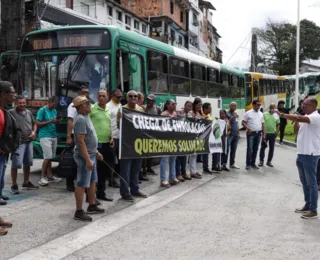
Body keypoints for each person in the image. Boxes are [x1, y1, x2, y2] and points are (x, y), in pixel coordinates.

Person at [274, 98, 320, 219]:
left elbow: (298, 118)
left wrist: (282, 114)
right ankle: (308, 204)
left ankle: (313, 209)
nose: (303, 106)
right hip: (301, 153)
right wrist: (297, 123)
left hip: (310, 154)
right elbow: (297, 132)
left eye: (305, 104)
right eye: (302, 104)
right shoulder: (305, 117)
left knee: (312, 182)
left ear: (313, 106)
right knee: (304, 182)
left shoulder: (315, 117)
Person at [73, 96, 105, 221]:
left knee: (92, 181)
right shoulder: (80, 119)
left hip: (91, 154)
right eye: (88, 104)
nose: (90, 106)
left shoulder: (86, 117)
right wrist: (87, 159)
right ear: (82, 107)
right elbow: (81, 142)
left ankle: (92, 205)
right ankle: (79, 211)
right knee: (82, 183)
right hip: (84, 156)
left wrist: (96, 152)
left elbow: (89, 137)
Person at [117, 90, 147, 201]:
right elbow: (119, 126)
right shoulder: (122, 109)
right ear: (127, 98)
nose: (133, 97)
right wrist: (120, 119)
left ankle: (135, 189)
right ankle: (125, 192)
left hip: (138, 144)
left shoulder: (140, 109)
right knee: (125, 170)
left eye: (135, 96)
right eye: (131, 96)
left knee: (136, 169)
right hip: (126, 144)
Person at [10, 95, 38, 194]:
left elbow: (34, 124)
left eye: (23, 103)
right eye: (20, 103)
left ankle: (26, 182)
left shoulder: (29, 112)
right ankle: (14, 184)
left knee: (28, 162)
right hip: (18, 143)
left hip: (29, 142)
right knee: (16, 163)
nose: (22, 105)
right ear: (16, 103)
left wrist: (34, 132)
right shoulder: (10, 113)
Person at [89, 89, 114, 202]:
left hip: (107, 143)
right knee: (94, 171)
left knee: (104, 170)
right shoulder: (92, 109)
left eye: (104, 96)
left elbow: (109, 125)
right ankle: (90, 196)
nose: (101, 98)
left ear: (107, 97)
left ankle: (101, 193)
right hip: (95, 145)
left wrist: (112, 137)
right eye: (99, 96)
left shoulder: (108, 109)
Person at [66, 86, 90, 192]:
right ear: (80, 92)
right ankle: (70, 183)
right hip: (75, 135)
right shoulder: (73, 105)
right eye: (84, 92)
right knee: (74, 161)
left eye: (87, 92)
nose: (85, 94)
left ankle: (85, 183)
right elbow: (70, 121)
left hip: (85, 135)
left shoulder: (89, 105)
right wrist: (68, 137)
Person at [0, 81, 16, 235]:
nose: (14, 95)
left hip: (3, 153)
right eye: (12, 93)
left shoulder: (4, 109)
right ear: (3, 94)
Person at [36, 97, 62, 186]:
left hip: (53, 135)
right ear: (49, 102)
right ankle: (42, 177)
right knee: (47, 157)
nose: (54, 107)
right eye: (53, 105)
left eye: (55, 105)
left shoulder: (54, 111)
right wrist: (50, 121)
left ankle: (50, 176)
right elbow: (38, 123)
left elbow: (53, 122)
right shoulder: (42, 110)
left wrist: (57, 121)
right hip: (44, 136)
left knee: (50, 157)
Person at [160, 99, 179, 188]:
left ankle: (172, 177)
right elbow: (160, 126)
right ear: (167, 105)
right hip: (166, 140)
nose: (174, 105)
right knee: (164, 160)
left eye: (175, 104)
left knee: (173, 159)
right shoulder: (163, 114)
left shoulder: (175, 114)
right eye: (172, 104)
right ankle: (163, 179)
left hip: (174, 139)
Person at [242, 99, 265, 170]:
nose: (259, 106)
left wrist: (264, 134)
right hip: (251, 133)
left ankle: (253, 163)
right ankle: (248, 164)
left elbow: (262, 124)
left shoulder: (261, 113)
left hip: (258, 133)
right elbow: (243, 122)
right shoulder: (248, 113)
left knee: (255, 149)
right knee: (250, 149)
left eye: (260, 105)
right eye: (258, 105)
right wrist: (247, 128)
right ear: (254, 105)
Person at [141, 94, 161, 177]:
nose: (149, 102)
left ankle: (149, 167)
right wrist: (145, 109)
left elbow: (160, 119)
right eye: (148, 100)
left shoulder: (157, 109)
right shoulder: (143, 108)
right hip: (145, 132)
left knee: (152, 152)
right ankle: (144, 170)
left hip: (153, 132)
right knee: (145, 152)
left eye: (151, 100)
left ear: (154, 101)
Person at [106, 89, 122, 188]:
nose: (120, 99)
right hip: (112, 137)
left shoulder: (120, 106)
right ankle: (111, 180)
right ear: (112, 96)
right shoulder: (108, 106)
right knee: (111, 160)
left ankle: (117, 177)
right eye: (118, 97)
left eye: (121, 97)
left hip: (120, 136)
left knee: (120, 159)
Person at [258, 103, 280, 167]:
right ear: (269, 108)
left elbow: (278, 124)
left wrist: (276, 131)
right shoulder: (264, 114)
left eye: (274, 108)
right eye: (272, 108)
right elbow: (262, 123)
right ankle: (261, 161)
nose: (273, 109)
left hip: (273, 134)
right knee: (263, 147)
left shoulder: (276, 115)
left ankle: (269, 161)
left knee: (271, 148)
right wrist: (263, 133)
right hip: (265, 134)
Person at [176, 101, 193, 181]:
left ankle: (184, 172)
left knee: (184, 157)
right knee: (178, 157)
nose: (189, 108)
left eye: (190, 106)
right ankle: (178, 174)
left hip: (186, 139)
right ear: (184, 105)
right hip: (179, 138)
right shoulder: (179, 112)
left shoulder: (191, 114)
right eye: (188, 106)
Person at [187, 98, 203, 179]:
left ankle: (194, 170)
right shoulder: (190, 113)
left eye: (201, 105)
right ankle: (192, 171)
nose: (200, 106)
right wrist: (195, 120)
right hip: (191, 136)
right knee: (191, 154)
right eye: (198, 105)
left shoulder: (199, 113)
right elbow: (189, 122)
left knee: (195, 154)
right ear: (194, 105)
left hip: (198, 136)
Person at [226, 102, 240, 169]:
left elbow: (237, 124)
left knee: (234, 150)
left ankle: (232, 163)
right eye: (232, 106)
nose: (234, 107)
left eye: (235, 106)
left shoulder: (235, 114)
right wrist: (232, 117)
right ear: (230, 106)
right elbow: (227, 122)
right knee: (227, 149)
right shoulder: (227, 113)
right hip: (229, 135)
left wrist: (238, 133)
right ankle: (225, 163)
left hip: (235, 135)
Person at [202, 102, 213, 174]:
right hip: (203, 137)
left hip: (208, 137)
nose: (210, 109)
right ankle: (205, 167)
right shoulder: (202, 116)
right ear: (205, 109)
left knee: (207, 152)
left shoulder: (209, 116)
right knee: (204, 153)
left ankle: (206, 167)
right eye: (209, 108)